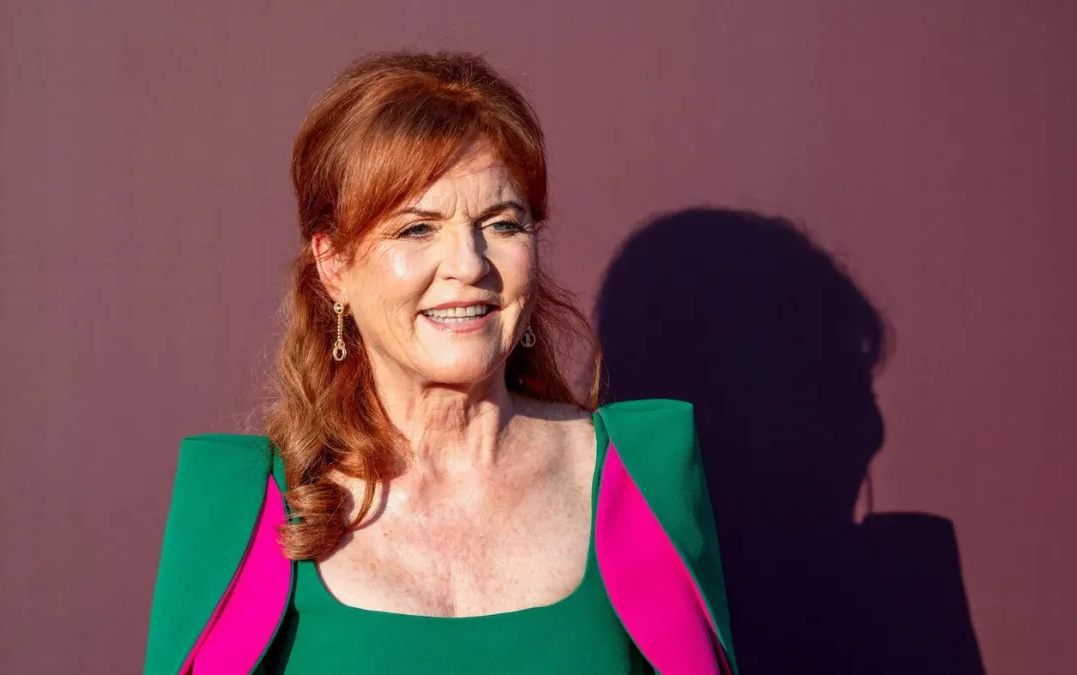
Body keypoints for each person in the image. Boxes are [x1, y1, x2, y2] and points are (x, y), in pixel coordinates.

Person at [143, 50, 737, 675]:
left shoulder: (640, 478)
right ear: (333, 265)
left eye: (501, 224)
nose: (470, 264)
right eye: (416, 230)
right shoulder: (240, 511)